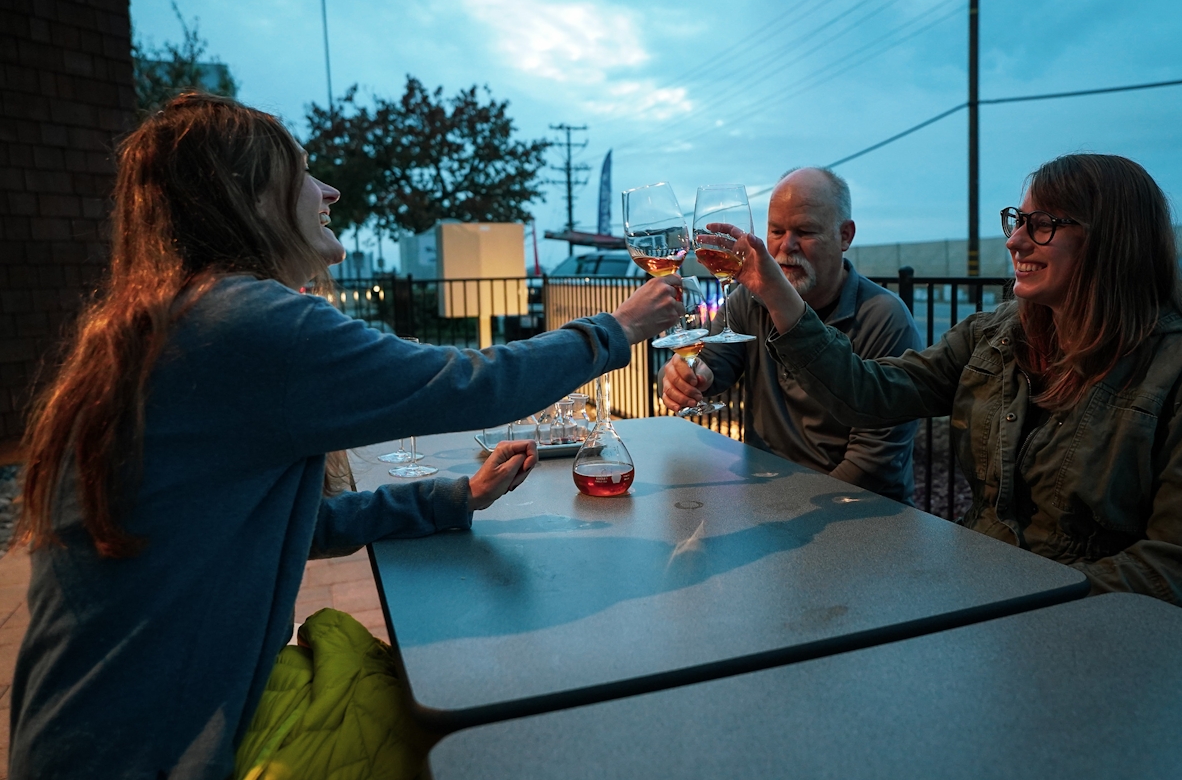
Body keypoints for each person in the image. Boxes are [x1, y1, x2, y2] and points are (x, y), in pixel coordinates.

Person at [7, 93, 683, 779]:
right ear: (252, 198)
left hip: (82, 738)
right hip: (151, 751)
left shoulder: (163, 324)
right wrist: (617, 327)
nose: (329, 189)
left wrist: (454, 498)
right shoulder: (243, 322)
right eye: (302, 171)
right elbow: (470, 382)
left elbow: (294, 524)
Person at [721, 154, 1182, 616]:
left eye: (1042, 224)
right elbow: (869, 394)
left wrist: (1009, 595)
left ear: (1112, 242)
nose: (1015, 240)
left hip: (1087, 645)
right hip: (976, 608)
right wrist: (777, 293)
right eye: (1016, 220)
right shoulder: (998, 333)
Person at [662, 167, 922, 502]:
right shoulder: (750, 300)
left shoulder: (884, 318)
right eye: (776, 231)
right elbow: (710, 368)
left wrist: (791, 514)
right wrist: (681, 377)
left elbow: (873, 464)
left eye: (806, 231)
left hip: (859, 514)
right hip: (770, 502)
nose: (787, 246)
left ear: (845, 236)